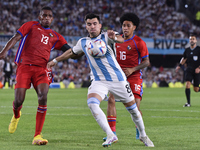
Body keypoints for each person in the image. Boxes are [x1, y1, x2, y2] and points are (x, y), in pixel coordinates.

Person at [47, 13, 154, 147]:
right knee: (92, 103)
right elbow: (71, 52)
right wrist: (55, 60)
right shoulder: (83, 42)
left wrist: (114, 36)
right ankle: (110, 134)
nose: (92, 26)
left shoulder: (107, 36)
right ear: (86, 26)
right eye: (89, 24)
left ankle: (143, 135)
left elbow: (121, 39)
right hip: (99, 80)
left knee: (133, 110)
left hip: (118, 79)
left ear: (100, 25)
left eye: (95, 24)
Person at [0, 6, 72, 145]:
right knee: (19, 100)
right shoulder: (31, 26)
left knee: (43, 96)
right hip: (24, 66)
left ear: (52, 19)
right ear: (39, 17)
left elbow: (70, 51)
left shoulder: (55, 36)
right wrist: (3, 52)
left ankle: (37, 135)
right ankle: (16, 114)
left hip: (41, 69)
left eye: (49, 16)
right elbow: (15, 38)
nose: (46, 17)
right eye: (44, 15)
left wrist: (83, 49)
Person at [103, 12, 150, 141]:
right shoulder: (115, 39)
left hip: (134, 76)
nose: (125, 28)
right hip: (118, 77)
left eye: (128, 25)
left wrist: (132, 69)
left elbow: (147, 62)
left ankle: (139, 131)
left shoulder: (139, 42)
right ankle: (112, 133)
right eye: (124, 25)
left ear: (134, 27)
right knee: (111, 100)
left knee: (134, 107)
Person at [176, 34, 200, 107]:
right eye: (190, 39)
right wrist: (179, 66)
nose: (191, 40)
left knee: (196, 89)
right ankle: (188, 103)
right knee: (187, 84)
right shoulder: (187, 50)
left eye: (193, 39)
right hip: (189, 69)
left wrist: (199, 68)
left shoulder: (199, 49)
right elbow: (184, 58)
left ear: (196, 40)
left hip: (197, 70)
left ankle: (196, 90)